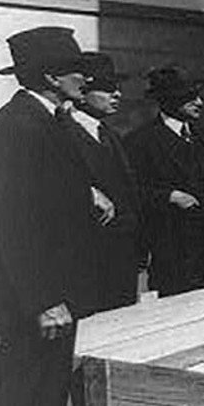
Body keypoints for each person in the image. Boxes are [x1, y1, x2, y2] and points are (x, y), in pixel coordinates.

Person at [0, 27, 101, 406]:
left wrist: (86, 195)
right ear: (52, 76)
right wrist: (41, 298)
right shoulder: (13, 128)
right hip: (36, 302)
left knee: (45, 403)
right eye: (76, 69)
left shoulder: (44, 122)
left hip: (56, 295)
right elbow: (11, 223)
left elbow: (46, 192)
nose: (86, 76)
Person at [125, 66, 204, 298]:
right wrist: (169, 196)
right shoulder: (140, 142)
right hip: (168, 249)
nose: (200, 102)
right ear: (169, 100)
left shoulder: (203, 136)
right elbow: (130, 191)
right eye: (190, 97)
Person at [62, 52, 144, 313]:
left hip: (122, 259)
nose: (117, 95)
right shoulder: (60, 132)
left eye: (117, 88)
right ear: (82, 93)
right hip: (88, 262)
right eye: (107, 89)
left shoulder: (108, 132)